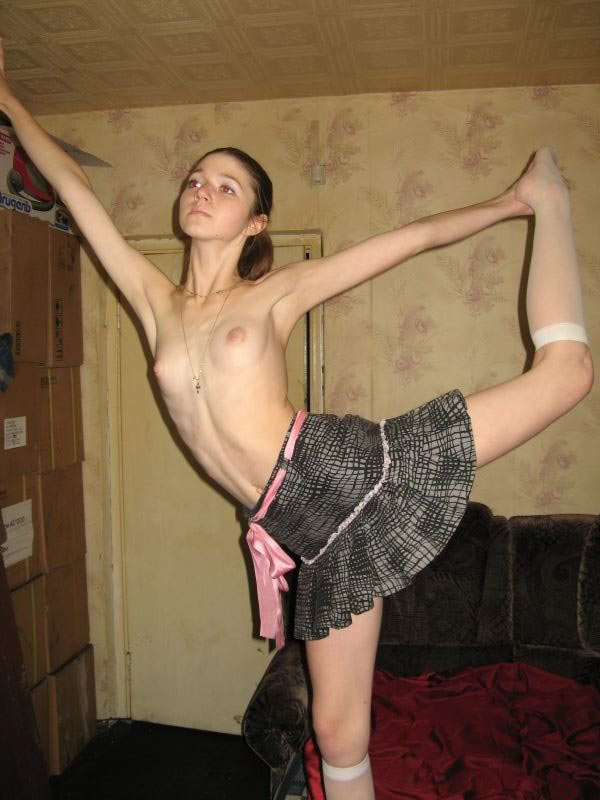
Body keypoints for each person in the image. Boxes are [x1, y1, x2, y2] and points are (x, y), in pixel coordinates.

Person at [0, 40, 593, 800]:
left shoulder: (274, 295)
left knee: (568, 376)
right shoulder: (154, 301)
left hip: (346, 472)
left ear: (256, 222)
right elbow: (74, 186)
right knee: (340, 733)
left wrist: (509, 203)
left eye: (227, 186)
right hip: (305, 531)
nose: (203, 191)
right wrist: (9, 100)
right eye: (195, 179)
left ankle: (547, 197)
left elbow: (410, 240)